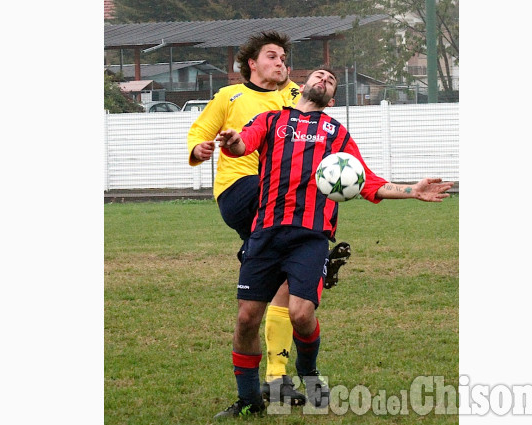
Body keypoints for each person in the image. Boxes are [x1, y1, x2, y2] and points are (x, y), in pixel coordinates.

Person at [213, 66, 454, 419]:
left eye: (330, 80)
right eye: (319, 76)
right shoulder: (271, 120)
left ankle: (309, 376)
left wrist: (410, 191)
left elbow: (367, 181)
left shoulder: (337, 135)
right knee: (247, 318)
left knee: (301, 313)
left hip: (310, 237)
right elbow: (241, 145)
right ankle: (249, 400)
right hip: (265, 233)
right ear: (302, 86)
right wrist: (233, 142)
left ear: (333, 97)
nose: (323, 80)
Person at [187, 31, 350, 407]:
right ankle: (312, 257)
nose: (282, 64)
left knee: (285, 285)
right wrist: (200, 148)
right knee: (296, 225)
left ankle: (277, 378)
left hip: (277, 205)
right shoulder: (230, 96)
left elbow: (316, 111)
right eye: (273, 57)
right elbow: (199, 131)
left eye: (284, 58)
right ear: (252, 63)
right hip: (240, 188)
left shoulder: (294, 94)